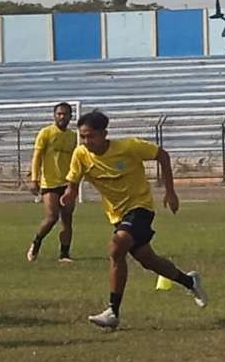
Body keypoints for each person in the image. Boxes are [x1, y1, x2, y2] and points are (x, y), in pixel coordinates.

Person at [60, 111, 207, 329]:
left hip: (140, 207)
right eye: (82, 136)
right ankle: (189, 281)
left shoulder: (128, 147)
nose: (86, 141)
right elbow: (73, 181)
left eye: (90, 136)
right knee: (147, 259)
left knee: (116, 246)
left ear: (104, 134)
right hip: (117, 215)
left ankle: (113, 311)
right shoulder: (81, 154)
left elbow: (162, 155)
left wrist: (170, 192)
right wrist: (70, 193)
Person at [27, 102, 78, 263]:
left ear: (70, 116)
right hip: (49, 183)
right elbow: (37, 157)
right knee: (51, 217)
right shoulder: (46, 133)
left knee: (67, 218)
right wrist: (34, 178)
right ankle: (36, 242)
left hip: (67, 182)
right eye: (59, 114)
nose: (62, 117)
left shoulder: (72, 136)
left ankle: (64, 254)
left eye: (65, 114)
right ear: (54, 115)